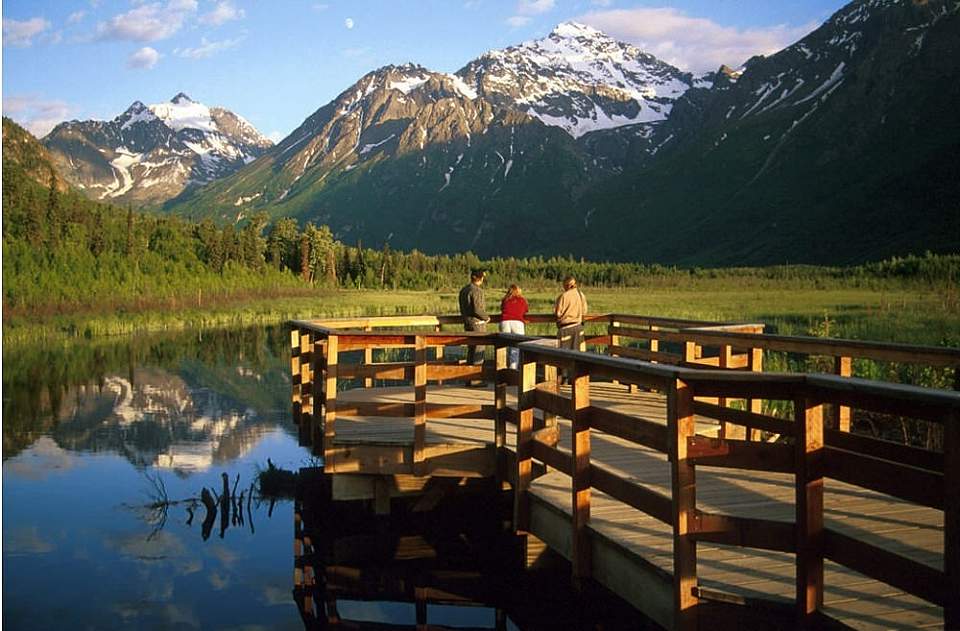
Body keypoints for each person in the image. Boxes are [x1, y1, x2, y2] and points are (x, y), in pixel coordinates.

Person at [458, 269, 489, 380]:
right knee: (478, 350)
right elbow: (477, 309)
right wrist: (486, 317)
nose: (483, 279)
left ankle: (469, 378)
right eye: (482, 277)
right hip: (477, 323)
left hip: (467, 322)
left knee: (471, 349)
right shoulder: (477, 291)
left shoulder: (464, 290)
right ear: (479, 278)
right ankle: (476, 378)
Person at [555, 275, 588, 352]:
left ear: (567, 285)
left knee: (564, 357)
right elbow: (585, 311)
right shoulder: (581, 295)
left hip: (565, 329)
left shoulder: (563, 296)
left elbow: (558, 314)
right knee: (579, 356)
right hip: (578, 328)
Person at [499, 284, 528, 370]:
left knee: (504, 346)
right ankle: (513, 368)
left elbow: (502, 309)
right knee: (516, 346)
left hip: (505, 322)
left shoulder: (505, 300)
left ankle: (502, 368)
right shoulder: (522, 300)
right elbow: (525, 310)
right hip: (517, 323)